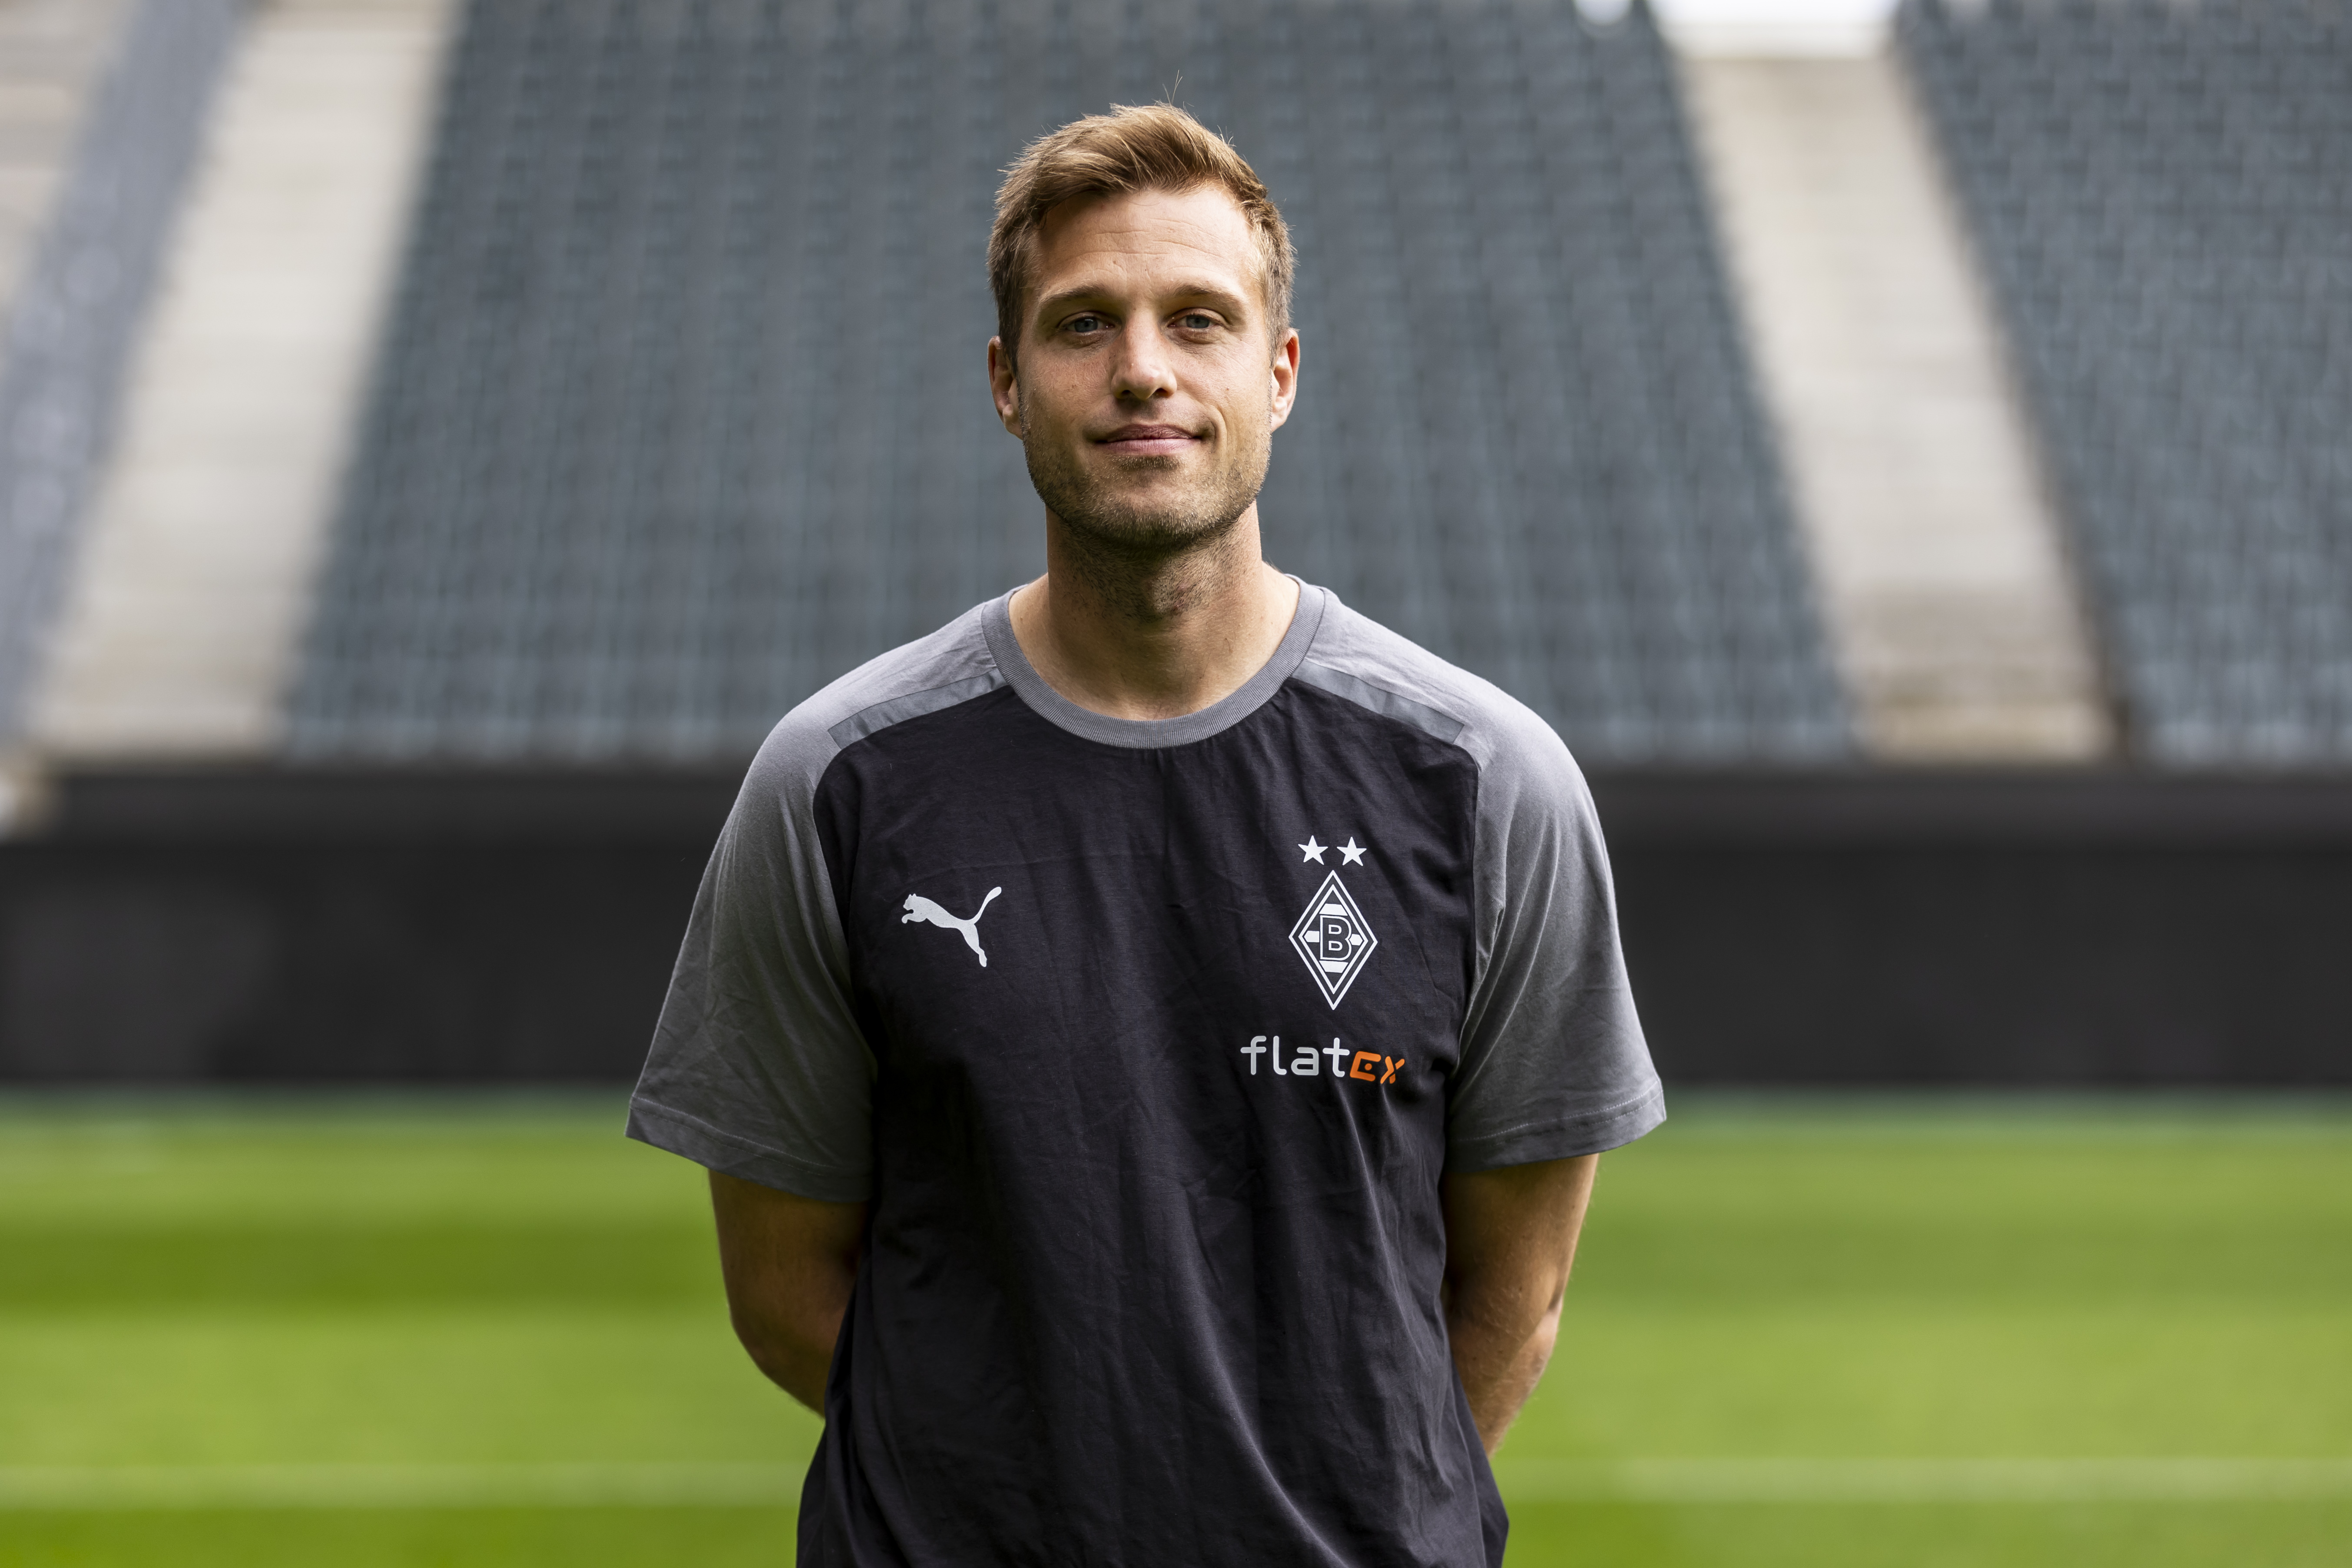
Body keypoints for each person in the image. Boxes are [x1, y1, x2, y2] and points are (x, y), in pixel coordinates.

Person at [628, 102, 1663, 1566]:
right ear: (1006, 380)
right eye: (1082, 325)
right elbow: (787, 1291)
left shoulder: (1490, 784)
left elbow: (1516, 1293)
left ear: (1280, 371)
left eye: (1199, 319)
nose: (1143, 373)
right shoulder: (837, 784)